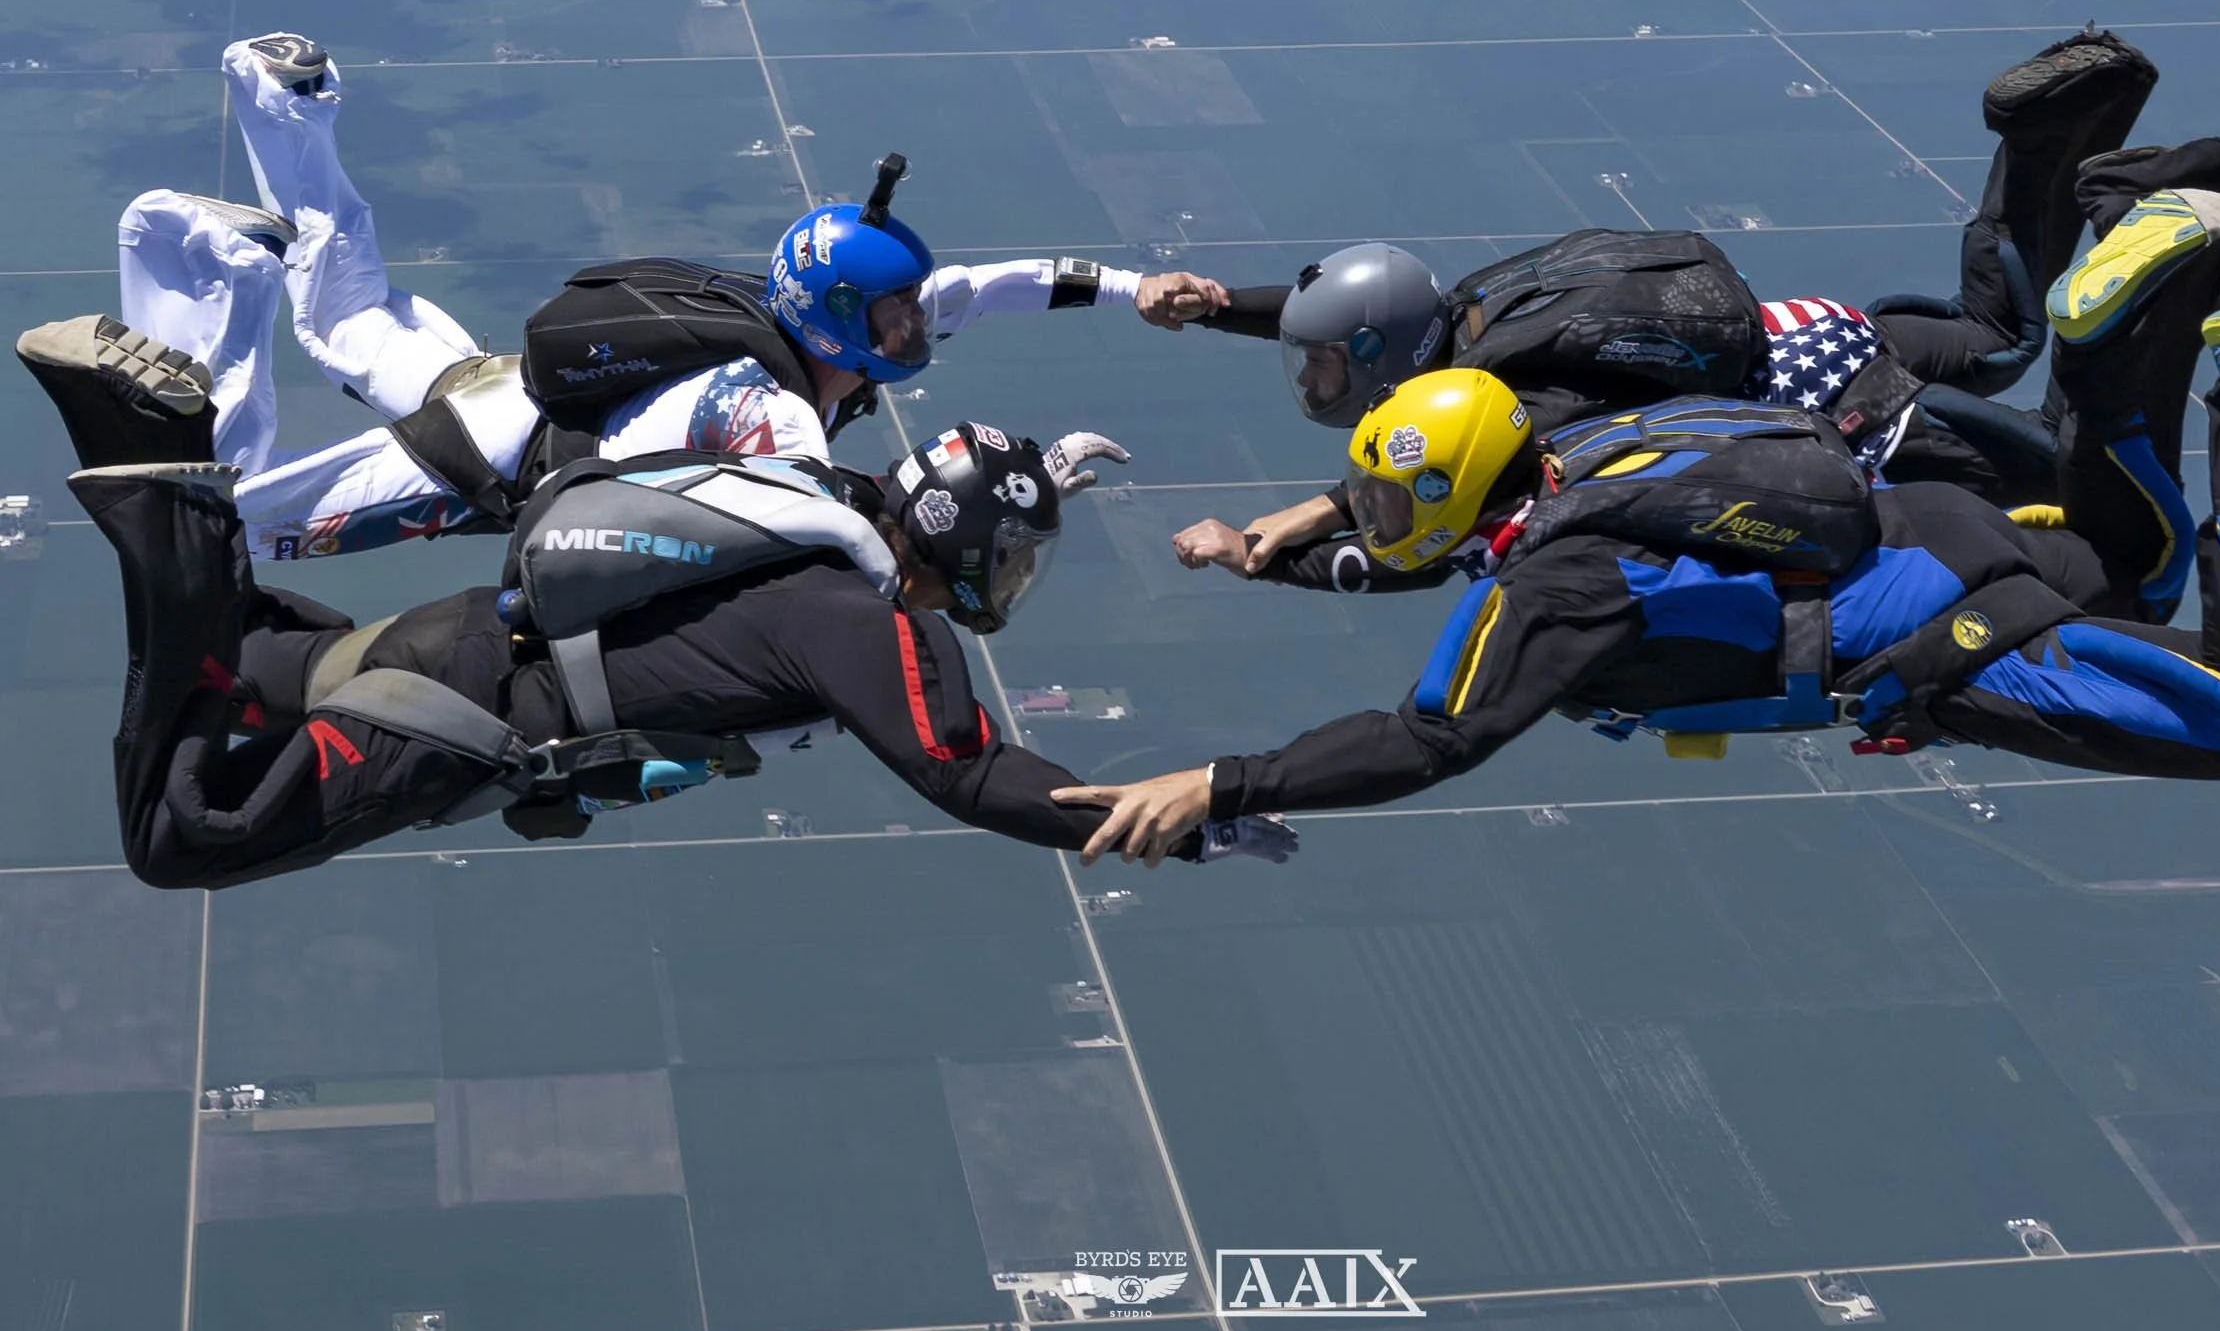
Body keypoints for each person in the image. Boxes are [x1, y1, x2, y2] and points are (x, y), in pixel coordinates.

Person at [1054, 210, 2220, 864]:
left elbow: (1431, 737)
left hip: (1951, 639)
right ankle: (2103, 348)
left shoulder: (1556, 574)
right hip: (1951, 526)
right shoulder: (1586, 438)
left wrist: (1224, 780)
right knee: (2142, 559)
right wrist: (1279, 542)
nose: (1376, 524)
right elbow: (1413, 537)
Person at [40, 357, 1296, 888]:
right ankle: (164, 480)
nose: (1007, 591)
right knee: (179, 836)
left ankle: (154, 475)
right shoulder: (873, 627)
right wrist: (1177, 819)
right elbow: (970, 774)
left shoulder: (822, 512)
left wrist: (1037, 474)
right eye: (1008, 566)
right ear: (965, 556)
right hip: (454, 717)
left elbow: (925, 497)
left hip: (452, 639)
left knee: (233, 654)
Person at [83, 31, 1230, 562]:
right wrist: (1019, 490)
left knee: (346, 317)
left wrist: (1135, 288)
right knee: (217, 536)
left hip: (503, 389)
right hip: (477, 457)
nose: (911, 329)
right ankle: (231, 285)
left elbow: (995, 286)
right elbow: (856, 519)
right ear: (838, 317)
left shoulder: (805, 320)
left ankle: (291, 108)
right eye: (890, 319)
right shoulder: (767, 405)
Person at [1169, 29, 2167, 576]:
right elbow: (1330, 310)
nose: (1312, 379)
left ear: (1379, 354)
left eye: (1326, 366)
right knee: (1998, 332)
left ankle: (2143, 261)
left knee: (2089, 494)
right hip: (1815, 330)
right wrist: (1221, 308)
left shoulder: (1500, 392)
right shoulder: (1470, 302)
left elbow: (1443, 515)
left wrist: (1298, 521)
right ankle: (2044, 137)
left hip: (1864, 414)